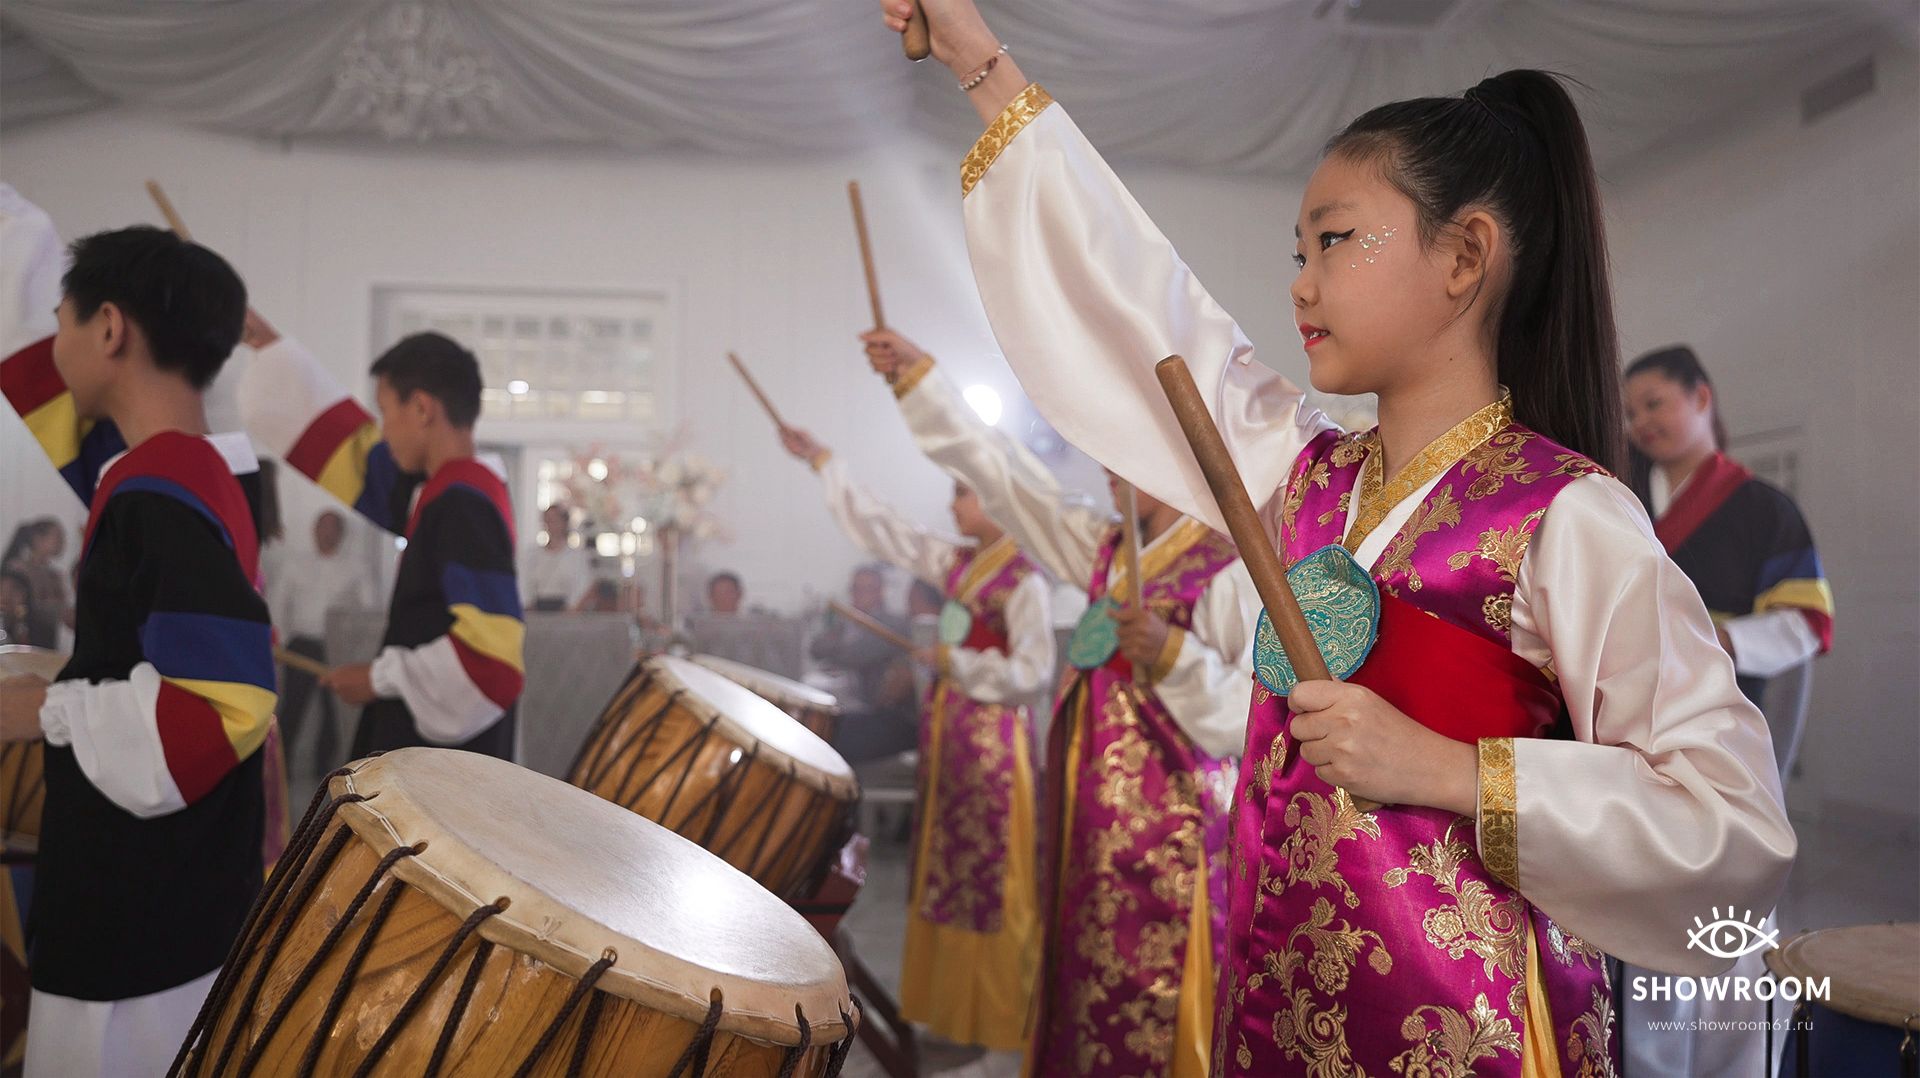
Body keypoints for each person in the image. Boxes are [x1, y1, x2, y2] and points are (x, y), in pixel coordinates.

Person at [877, 5, 1796, 1072]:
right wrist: (983, 67)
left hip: (1466, 1026)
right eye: (1299, 249)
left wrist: (1456, 771)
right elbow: (1150, 306)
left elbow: (1736, 823)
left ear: (1465, 258)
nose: (1300, 282)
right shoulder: (1307, 479)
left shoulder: (1565, 513)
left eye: (1336, 241)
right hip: (1273, 1010)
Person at [862, 327, 1260, 1075]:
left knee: (1159, 1012)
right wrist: (923, 383)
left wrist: (1172, 656)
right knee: (1084, 994)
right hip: (1089, 835)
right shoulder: (1107, 551)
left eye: (1124, 457)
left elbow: (1252, 718)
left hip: (1175, 845)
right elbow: (1013, 486)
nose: (1108, 473)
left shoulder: (1229, 568)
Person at [0, 188, 275, 1076]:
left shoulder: (161, 491)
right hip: (177, 893)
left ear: (110, 328)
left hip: (142, 915)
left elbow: (221, 706)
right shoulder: (188, 473)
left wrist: (42, 709)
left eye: (62, 323)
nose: (53, 348)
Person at [781, 426, 1051, 1051]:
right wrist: (827, 462)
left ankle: (1000, 1018)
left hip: (996, 754)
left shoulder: (1025, 581)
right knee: (948, 880)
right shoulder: (959, 564)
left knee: (990, 881)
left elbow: (1033, 673)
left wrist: (960, 664)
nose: (954, 506)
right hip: (953, 741)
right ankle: (954, 1018)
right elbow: (888, 530)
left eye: (964, 494)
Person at [236, 315, 524, 761]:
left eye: (386, 412)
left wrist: (379, 678)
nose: (383, 432)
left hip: (443, 763)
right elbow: (361, 455)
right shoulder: (445, 489)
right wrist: (273, 353)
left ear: (423, 409)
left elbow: (490, 664)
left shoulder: (464, 504)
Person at [1623, 346, 1834, 738]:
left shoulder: (1766, 510)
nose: (1640, 423)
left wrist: (1716, 640)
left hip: (1720, 710)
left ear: (1701, 398)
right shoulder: (1619, 495)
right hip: (1623, 705)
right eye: (1631, 414)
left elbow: (1806, 621)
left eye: (1653, 404)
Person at [267, 509, 374, 774]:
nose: (326, 533)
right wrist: (279, 643)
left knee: (333, 713)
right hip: (301, 647)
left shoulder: (356, 567)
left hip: (338, 650)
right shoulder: (295, 563)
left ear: (340, 533)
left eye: (331, 527)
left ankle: (324, 771)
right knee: (293, 707)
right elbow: (278, 603)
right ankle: (283, 767)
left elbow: (369, 609)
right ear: (313, 530)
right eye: (321, 527)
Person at [811, 564, 917, 763]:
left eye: (868, 588)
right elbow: (816, 647)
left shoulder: (892, 625)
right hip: (851, 704)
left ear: (880, 592)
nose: (861, 595)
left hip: (887, 713)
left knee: (838, 739)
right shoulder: (845, 623)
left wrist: (837, 644)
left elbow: (856, 655)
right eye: (857, 589)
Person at [1, 519, 71, 649]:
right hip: (20, 643)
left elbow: (64, 613)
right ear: (37, 539)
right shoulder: (17, 570)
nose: (62, 541)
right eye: (57, 536)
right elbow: (7, 607)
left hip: (47, 643)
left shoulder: (55, 575)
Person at [521, 504, 591, 612]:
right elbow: (525, 583)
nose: (551, 524)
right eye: (548, 520)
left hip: (564, 611)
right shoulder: (532, 554)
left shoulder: (577, 556)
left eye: (555, 520)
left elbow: (582, 587)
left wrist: (570, 609)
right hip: (537, 610)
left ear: (564, 522)